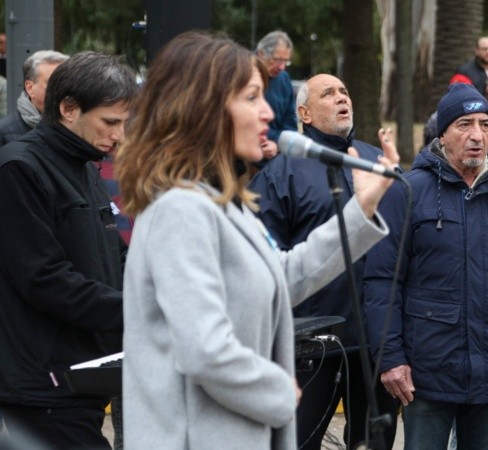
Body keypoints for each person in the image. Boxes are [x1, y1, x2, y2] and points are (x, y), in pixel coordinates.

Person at [116, 32, 398, 450]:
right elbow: (205, 349)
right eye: (251, 98)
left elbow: (284, 277)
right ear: (203, 109)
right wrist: (276, 390)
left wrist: (363, 208)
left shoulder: (219, 203)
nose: (268, 112)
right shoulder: (180, 210)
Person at [363, 83, 488, 449]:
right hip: (427, 372)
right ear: (443, 134)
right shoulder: (407, 190)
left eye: (485, 125)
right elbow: (382, 281)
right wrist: (390, 358)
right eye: (465, 125)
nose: (477, 135)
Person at [249, 73, 399, 449]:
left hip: (374, 345)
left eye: (344, 91)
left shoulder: (375, 161)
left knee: (374, 444)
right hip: (311, 346)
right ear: (305, 113)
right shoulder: (281, 172)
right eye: (328, 94)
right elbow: (266, 267)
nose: (341, 98)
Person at [0, 51, 136, 449]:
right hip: (45, 385)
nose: (119, 136)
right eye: (110, 122)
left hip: (82, 374)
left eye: (124, 123)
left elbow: (114, 256)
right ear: (69, 108)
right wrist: (137, 310)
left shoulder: (83, 164)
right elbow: (44, 279)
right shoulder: (19, 168)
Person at [0, 50, 69, 146]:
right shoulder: (5, 132)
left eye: (64, 82)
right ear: (30, 88)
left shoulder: (77, 127)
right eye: (52, 83)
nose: (61, 89)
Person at [255, 30, 297, 161]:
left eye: (286, 61)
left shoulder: (284, 80)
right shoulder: (242, 73)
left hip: (272, 161)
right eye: (278, 60)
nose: (282, 67)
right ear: (261, 53)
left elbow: (290, 124)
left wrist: (277, 144)